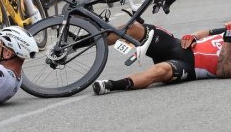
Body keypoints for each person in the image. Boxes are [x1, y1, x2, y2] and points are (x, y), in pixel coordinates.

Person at [93, 21, 231, 95]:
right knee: (133, 28)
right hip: (175, 45)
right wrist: (193, 36)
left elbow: (223, 71)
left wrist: (228, 39)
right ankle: (83, 40)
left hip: (187, 65)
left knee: (159, 71)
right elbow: (207, 32)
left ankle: (111, 85)